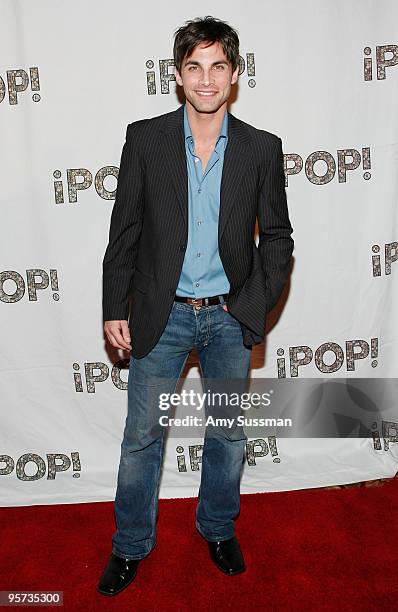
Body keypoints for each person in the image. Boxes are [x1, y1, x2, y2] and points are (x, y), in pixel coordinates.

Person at [97, 15, 294, 596]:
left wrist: (252, 308)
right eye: (194, 68)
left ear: (234, 75)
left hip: (229, 319)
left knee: (228, 434)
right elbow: (124, 232)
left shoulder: (262, 148)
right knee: (141, 439)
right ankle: (130, 544)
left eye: (218, 67)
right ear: (178, 77)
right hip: (163, 314)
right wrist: (115, 305)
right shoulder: (146, 139)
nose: (206, 79)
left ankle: (217, 527)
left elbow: (278, 237)